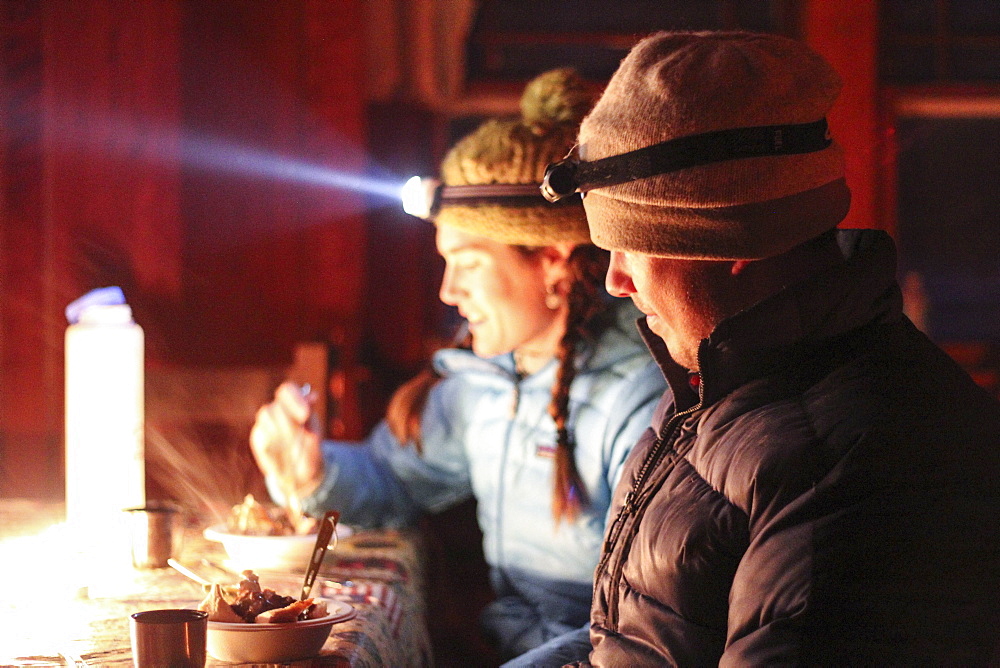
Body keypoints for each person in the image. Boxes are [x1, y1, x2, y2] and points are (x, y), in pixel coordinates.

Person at [539, 31, 1000, 666]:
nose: (616, 280)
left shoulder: (862, 462)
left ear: (733, 242)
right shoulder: (711, 394)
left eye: (630, 244)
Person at [249, 69, 666, 663]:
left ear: (552, 260)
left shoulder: (640, 399)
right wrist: (315, 471)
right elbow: (396, 481)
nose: (448, 291)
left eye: (469, 263)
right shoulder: (486, 385)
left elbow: (641, 629)